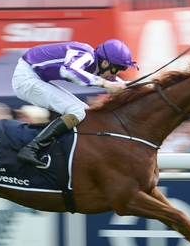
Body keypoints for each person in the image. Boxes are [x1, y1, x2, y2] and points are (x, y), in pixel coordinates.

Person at [13, 39, 136, 167]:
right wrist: (105, 84)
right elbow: (68, 70)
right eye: (115, 70)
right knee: (77, 111)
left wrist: (142, 87)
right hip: (26, 78)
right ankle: (31, 149)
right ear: (105, 63)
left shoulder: (94, 63)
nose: (115, 75)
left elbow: (119, 83)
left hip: (34, 76)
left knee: (84, 111)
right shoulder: (86, 54)